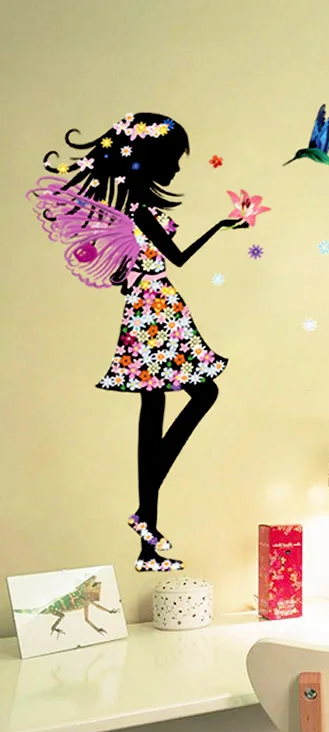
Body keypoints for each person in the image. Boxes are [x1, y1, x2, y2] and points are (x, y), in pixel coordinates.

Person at [28, 112, 248, 572]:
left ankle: (147, 536)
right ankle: (146, 520)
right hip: (155, 310)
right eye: (173, 159)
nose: (177, 169)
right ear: (148, 161)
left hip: (153, 307)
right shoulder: (141, 212)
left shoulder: (134, 211)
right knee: (194, 395)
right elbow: (178, 257)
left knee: (163, 405)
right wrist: (219, 227)